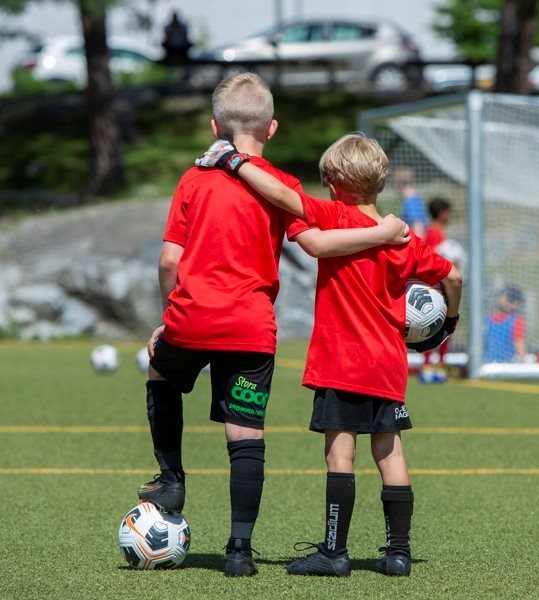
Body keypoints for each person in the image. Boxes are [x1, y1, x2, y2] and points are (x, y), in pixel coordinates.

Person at [139, 74, 410, 578]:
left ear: (215, 125)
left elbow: (167, 260)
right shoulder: (283, 185)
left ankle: (170, 476)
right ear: (272, 129)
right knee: (244, 435)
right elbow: (316, 245)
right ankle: (239, 553)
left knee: (161, 373)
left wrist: (167, 317)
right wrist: (385, 232)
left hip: (191, 316)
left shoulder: (193, 179)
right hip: (250, 329)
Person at [195, 132, 463, 577]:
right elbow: (452, 277)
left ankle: (335, 553)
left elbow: (283, 194)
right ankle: (398, 554)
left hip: (343, 362)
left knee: (340, 455)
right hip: (389, 363)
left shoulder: (336, 216)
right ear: (379, 182)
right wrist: (448, 323)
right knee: (389, 452)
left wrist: (234, 161)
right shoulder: (406, 239)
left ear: (334, 182)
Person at [419, 197, 452, 382]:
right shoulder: (435, 232)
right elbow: (432, 256)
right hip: (438, 283)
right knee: (440, 324)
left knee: (441, 325)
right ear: (442, 213)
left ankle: (437, 363)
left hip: (439, 282)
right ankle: (433, 363)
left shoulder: (435, 231)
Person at [484, 285, 526, 363]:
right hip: (489, 367)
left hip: (500, 367)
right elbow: (520, 348)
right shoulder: (486, 320)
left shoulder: (516, 321)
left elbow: (519, 347)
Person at [392, 167, 427, 236]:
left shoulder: (411, 201)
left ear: (400, 183)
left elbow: (418, 228)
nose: (393, 185)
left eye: (394, 181)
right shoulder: (410, 199)